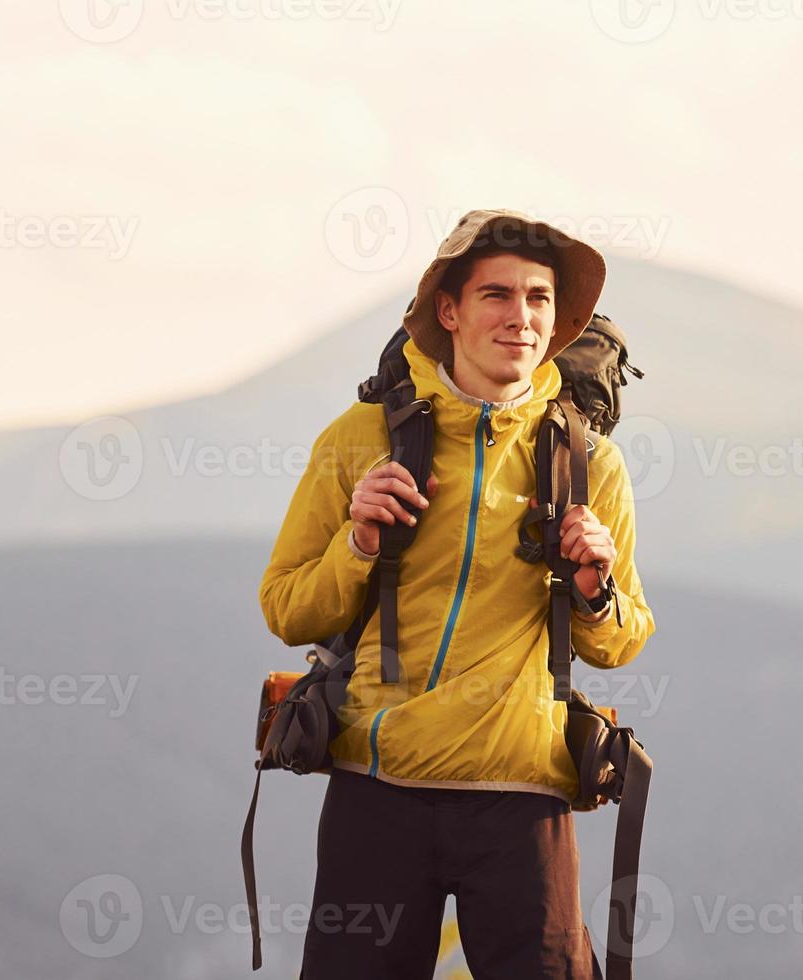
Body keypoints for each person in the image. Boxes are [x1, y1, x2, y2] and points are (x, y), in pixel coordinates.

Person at [258, 209, 655, 979]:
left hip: (521, 795)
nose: (522, 318)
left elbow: (622, 638)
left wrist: (595, 589)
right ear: (449, 309)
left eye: (539, 299)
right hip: (378, 789)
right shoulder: (363, 436)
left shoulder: (587, 462)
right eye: (497, 295)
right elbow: (287, 609)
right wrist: (358, 544)